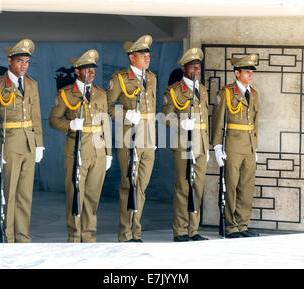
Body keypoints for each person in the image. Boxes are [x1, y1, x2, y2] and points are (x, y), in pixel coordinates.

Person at [0, 39, 44, 243]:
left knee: (25, 195)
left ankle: (22, 237)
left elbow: (36, 116)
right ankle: (7, 238)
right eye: (20, 61)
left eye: (26, 61)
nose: (24, 65)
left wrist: (39, 144)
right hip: (9, 145)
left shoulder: (32, 85)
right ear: (10, 61)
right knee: (8, 195)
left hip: (29, 145)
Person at [49, 49, 112, 243]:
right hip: (76, 151)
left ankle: (89, 236)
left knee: (92, 197)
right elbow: (53, 120)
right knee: (75, 196)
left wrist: (108, 152)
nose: (92, 72)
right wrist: (69, 125)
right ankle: (75, 237)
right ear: (77, 71)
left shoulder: (100, 94)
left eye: (93, 69)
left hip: (98, 151)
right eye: (88, 69)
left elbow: (105, 123)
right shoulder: (66, 94)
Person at [106, 35, 157, 242]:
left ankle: (136, 231)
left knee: (141, 188)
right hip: (130, 138)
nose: (147, 58)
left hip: (148, 139)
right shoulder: (119, 79)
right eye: (142, 55)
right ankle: (125, 233)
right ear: (131, 57)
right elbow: (107, 107)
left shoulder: (152, 77)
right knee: (129, 185)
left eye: (148, 54)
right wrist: (125, 114)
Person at [161, 48, 209, 242]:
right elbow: (164, 116)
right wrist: (180, 123)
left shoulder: (203, 89)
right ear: (184, 68)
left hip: (201, 145)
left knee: (197, 187)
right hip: (183, 144)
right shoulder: (173, 90)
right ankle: (180, 230)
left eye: (198, 66)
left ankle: (193, 230)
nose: (196, 69)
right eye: (193, 66)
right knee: (183, 187)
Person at [211, 54, 260, 238]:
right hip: (231, 145)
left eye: (251, 72)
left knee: (246, 187)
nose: (250, 75)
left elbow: (256, 122)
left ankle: (242, 224)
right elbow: (217, 121)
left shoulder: (254, 94)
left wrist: (255, 147)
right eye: (247, 72)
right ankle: (230, 226)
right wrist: (217, 146)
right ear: (236, 73)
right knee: (230, 186)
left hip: (248, 146)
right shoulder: (226, 93)